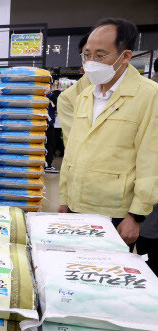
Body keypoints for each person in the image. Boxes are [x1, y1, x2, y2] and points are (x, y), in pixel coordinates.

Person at [59, 18, 158, 250]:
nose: (91, 62)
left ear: (125, 56)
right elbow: (72, 151)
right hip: (77, 206)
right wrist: (64, 200)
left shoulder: (148, 96)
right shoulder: (85, 96)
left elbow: (151, 159)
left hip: (116, 213)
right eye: (87, 55)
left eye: (100, 55)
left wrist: (136, 216)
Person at [57, 34, 92, 147]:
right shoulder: (68, 97)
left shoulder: (146, 93)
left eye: (101, 55)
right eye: (86, 55)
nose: (93, 60)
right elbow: (73, 145)